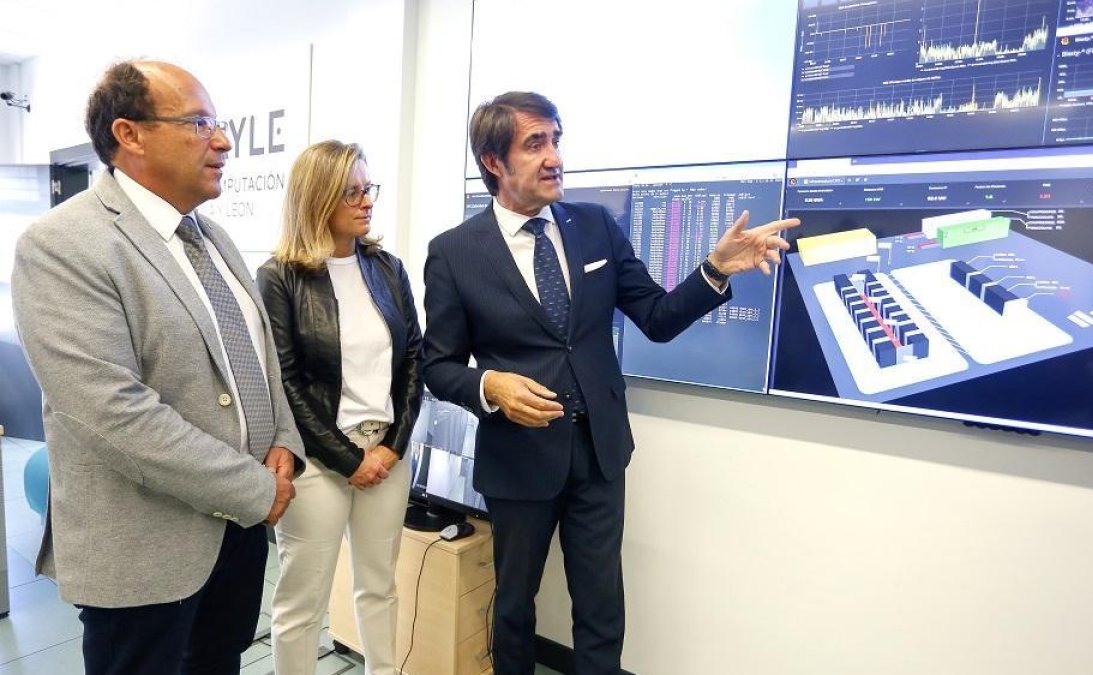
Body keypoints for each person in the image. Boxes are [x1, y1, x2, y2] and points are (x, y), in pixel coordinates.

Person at [421, 91, 798, 675]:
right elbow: (438, 365)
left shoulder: (594, 226)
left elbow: (657, 317)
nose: (554, 157)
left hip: (599, 452)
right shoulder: (454, 253)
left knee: (601, 607)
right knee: (515, 608)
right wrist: (490, 386)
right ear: (493, 162)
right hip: (519, 460)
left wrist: (715, 270)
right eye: (534, 144)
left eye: (556, 140)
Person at [10, 60, 304, 675]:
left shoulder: (212, 237)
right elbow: (110, 411)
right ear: (130, 134)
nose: (222, 140)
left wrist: (283, 440)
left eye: (218, 124)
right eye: (199, 123)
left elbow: (256, 358)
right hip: (143, 550)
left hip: (235, 539)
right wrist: (255, 488)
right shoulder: (65, 244)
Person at [258, 140, 424, 675]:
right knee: (301, 605)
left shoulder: (387, 268)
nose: (365, 201)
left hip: (388, 455)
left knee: (379, 587)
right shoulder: (281, 276)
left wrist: (393, 448)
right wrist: (350, 460)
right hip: (316, 462)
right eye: (350, 192)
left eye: (367, 188)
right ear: (317, 199)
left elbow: (415, 360)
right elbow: (286, 382)